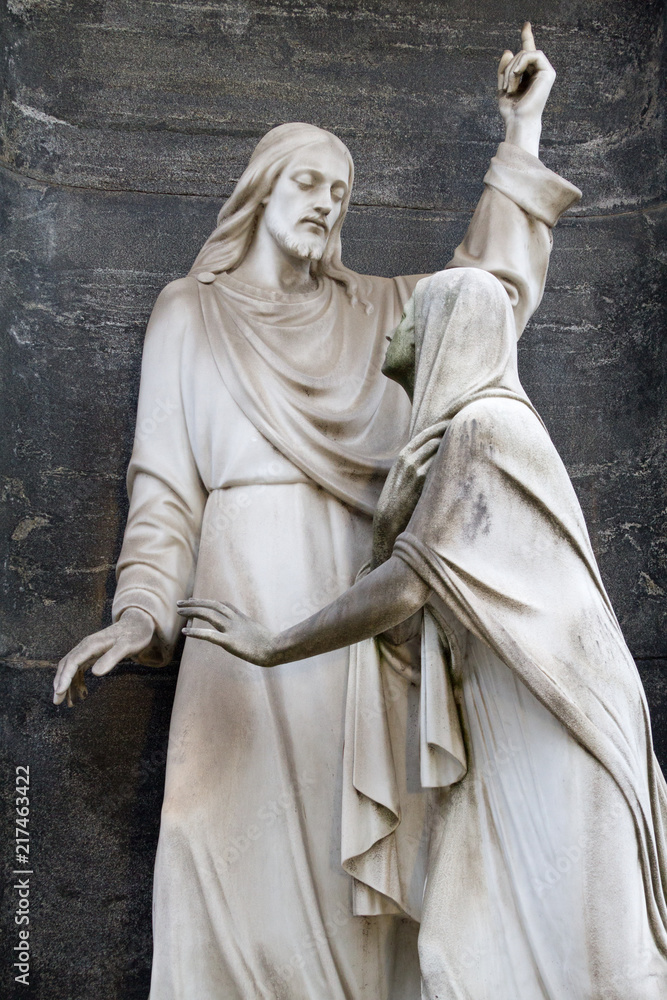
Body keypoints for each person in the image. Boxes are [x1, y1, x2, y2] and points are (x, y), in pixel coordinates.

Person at [53, 24, 582, 1000]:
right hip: (230, 631)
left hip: (343, 636)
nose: (328, 203)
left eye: (340, 192)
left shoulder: (377, 313)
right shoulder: (189, 314)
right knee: (213, 858)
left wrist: (525, 131)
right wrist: (138, 613)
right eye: (310, 181)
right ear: (262, 189)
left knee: (343, 918)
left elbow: (486, 299)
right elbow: (164, 495)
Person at [180, 265, 667, 999]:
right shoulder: (468, 437)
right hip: (515, 726)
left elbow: (405, 587)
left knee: (576, 955)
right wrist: (390, 519)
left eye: (412, 316)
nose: (393, 327)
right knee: (460, 949)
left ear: (445, 330)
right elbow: (409, 623)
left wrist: (274, 643)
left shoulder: (484, 428)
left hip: (558, 724)